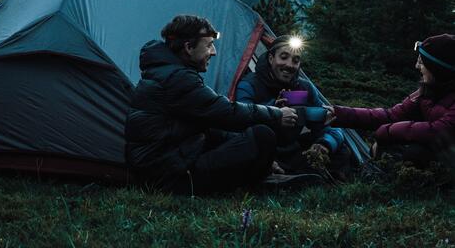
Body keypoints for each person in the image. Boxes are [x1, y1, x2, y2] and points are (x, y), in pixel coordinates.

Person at [126, 15, 303, 195]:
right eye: (209, 45)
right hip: (169, 178)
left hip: (167, 167)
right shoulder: (177, 79)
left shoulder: (168, 73)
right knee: (262, 136)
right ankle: (263, 183)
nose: (214, 52)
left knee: (247, 137)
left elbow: (208, 126)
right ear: (188, 47)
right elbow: (227, 112)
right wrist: (277, 114)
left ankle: (265, 177)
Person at [326, 34, 455, 167]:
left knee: (415, 153)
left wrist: (387, 132)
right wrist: (339, 114)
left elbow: (440, 131)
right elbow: (392, 115)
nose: (417, 66)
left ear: (439, 69)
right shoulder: (428, 92)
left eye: (422, 62)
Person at [236, 35, 348, 176]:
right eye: (283, 57)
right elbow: (239, 122)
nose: (289, 65)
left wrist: (324, 144)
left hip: (292, 150)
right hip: (263, 149)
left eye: (295, 60)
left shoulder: (304, 87)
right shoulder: (249, 85)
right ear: (271, 59)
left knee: (341, 150)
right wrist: (272, 112)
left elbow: (330, 124)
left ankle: (295, 176)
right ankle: (289, 175)